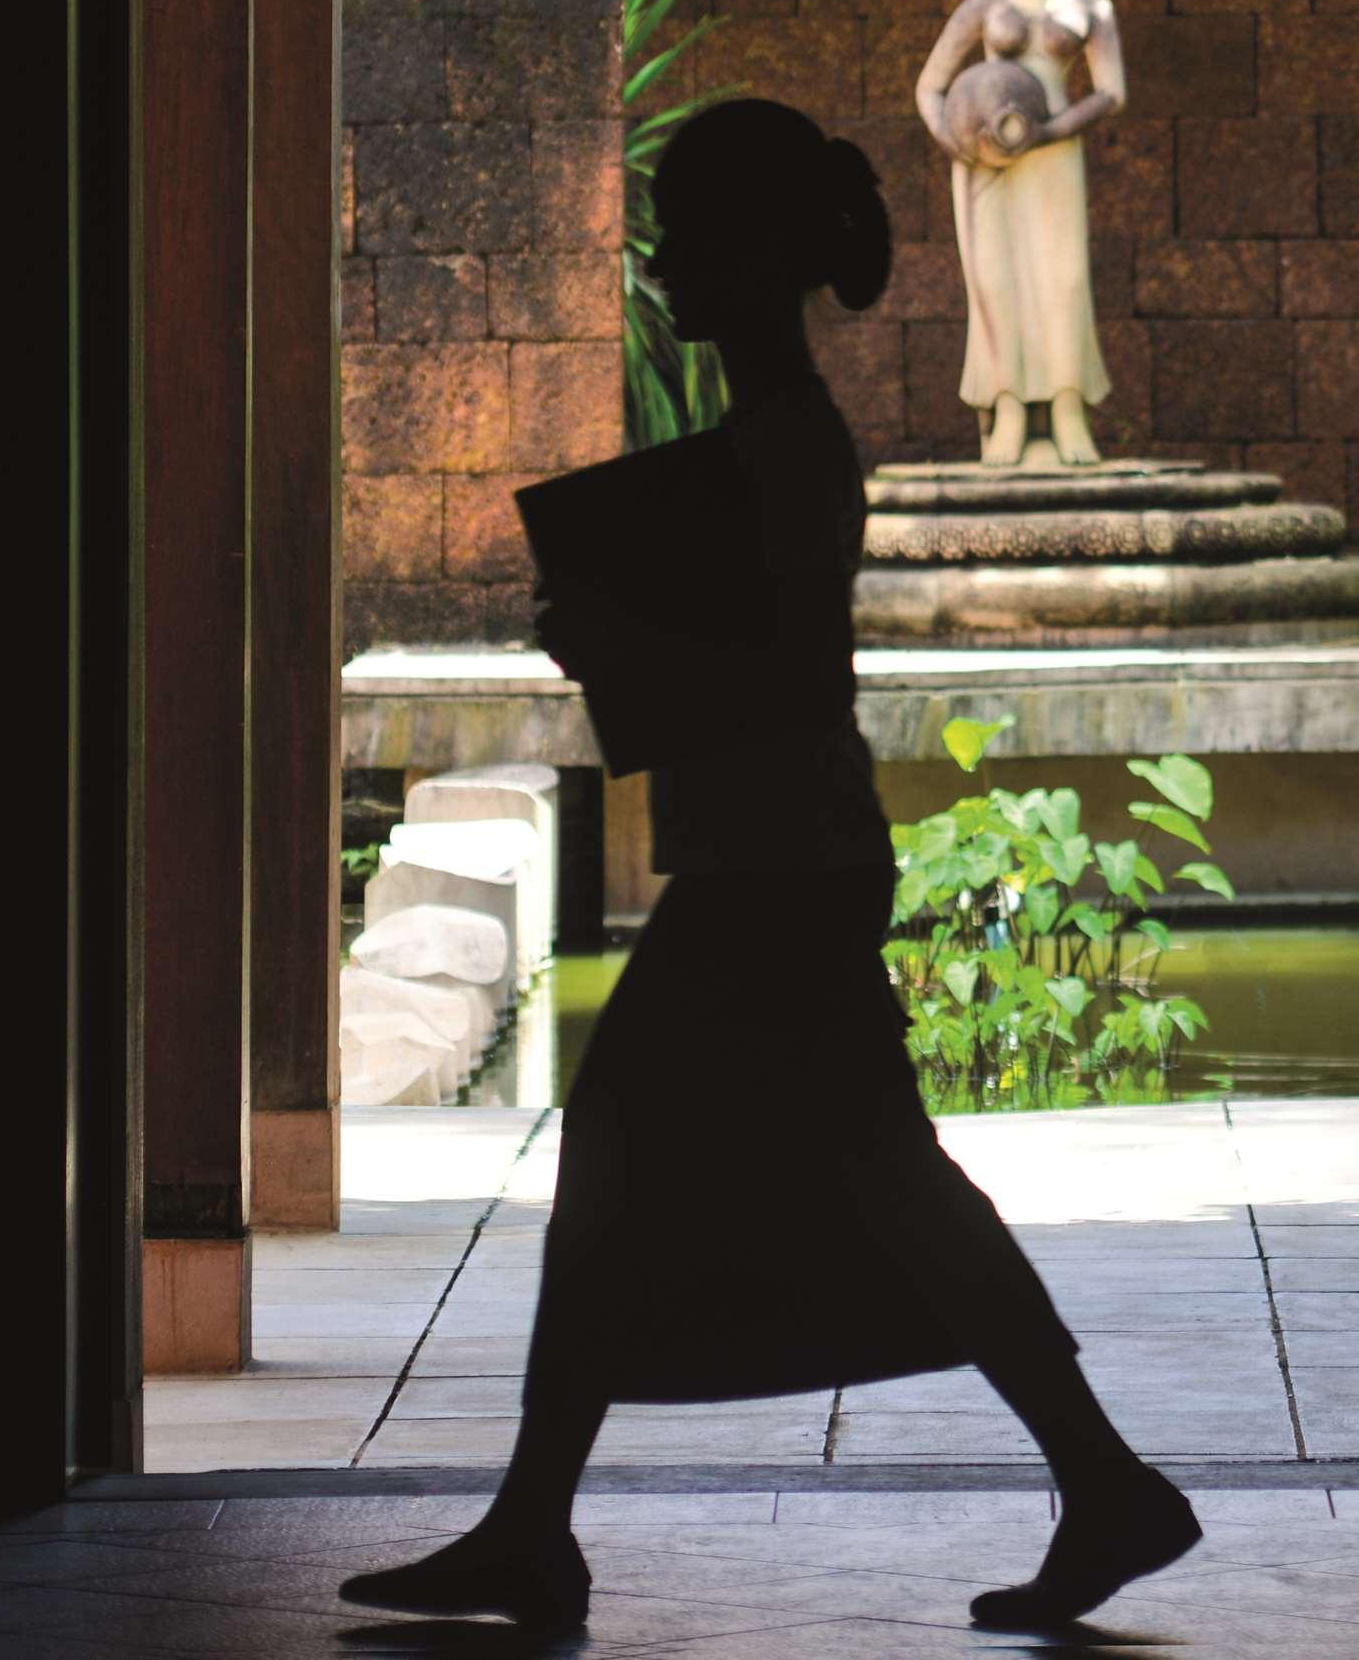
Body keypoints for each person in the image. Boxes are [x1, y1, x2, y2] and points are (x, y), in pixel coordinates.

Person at [344, 97, 1200, 1630]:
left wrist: (616, 638)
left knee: (696, 1160)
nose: (661, 261)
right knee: (858, 1172)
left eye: (680, 231)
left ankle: (540, 1528)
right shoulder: (764, 441)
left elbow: (788, 677)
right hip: (783, 856)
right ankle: (1099, 1479)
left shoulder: (786, 448)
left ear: (745, 256)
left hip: (775, 869)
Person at [916, 0, 1126, 468]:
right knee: (994, 282)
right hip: (988, 163)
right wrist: (954, 139)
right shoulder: (984, 7)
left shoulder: (1091, 7)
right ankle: (1006, 405)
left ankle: (1067, 408)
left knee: (1062, 279)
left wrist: (1047, 133)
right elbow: (929, 86)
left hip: (1052, 153)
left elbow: (1111, 92)